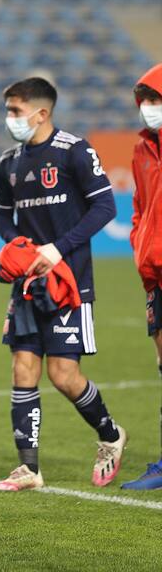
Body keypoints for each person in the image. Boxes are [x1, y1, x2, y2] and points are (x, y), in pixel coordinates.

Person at [0, 77, 126, 492]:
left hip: (69, 281)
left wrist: (57, 249)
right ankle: (29, 469)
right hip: (29, 285)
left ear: (41, 112)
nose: (10, 118)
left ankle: (110, 434)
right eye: (9, 111)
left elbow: (106, 206)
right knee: (23, 367)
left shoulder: (75, 151)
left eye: (15, 111)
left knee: (64, 375)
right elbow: (1, 215)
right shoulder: (9, 161)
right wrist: (17, 246)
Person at [123, 63, 162, 490]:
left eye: (156, 100)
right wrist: (139, 246)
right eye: (145, 101)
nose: (149, 108)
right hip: (154, 274)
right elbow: (139, 208)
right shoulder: (141, 151)